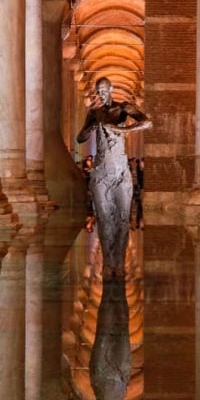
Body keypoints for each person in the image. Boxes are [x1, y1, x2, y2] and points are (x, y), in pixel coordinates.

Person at [75, 78, 152, 278]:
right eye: (98, 90)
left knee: (122, 219)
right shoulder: (94, 113)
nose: (100, 93)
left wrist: (122, 130)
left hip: (120, 172)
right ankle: (108, 263)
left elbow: (147, 123)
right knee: (104, 219)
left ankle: (119, 261)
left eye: (103, 89)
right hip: (100, 171)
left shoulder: (123, 108)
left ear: (110, 90)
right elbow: (80, 138)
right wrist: (92, 126)